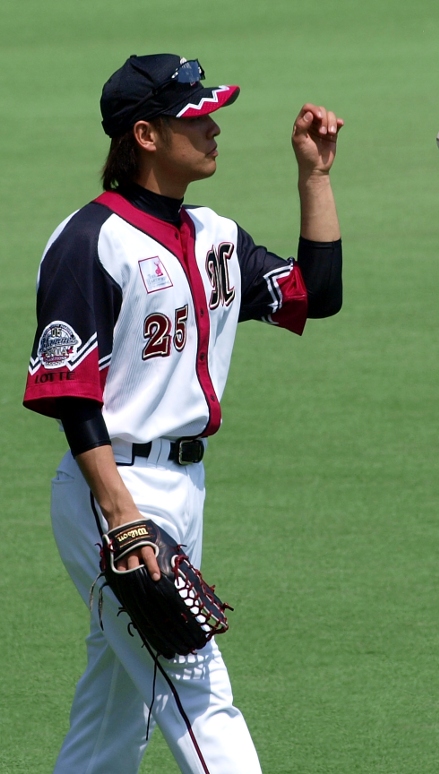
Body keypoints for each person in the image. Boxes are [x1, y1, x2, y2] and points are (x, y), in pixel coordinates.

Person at [22, 53, 344, 774]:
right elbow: (71, 394)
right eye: (194, 118)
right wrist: (123, 518)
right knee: (198, 689)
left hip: (184, 492)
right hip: (115, 491)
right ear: (144, 135)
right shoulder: (89, 243)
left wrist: (314, 177)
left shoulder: (215, 235)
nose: (213, 127)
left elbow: (313, 295)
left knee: (117, 704)